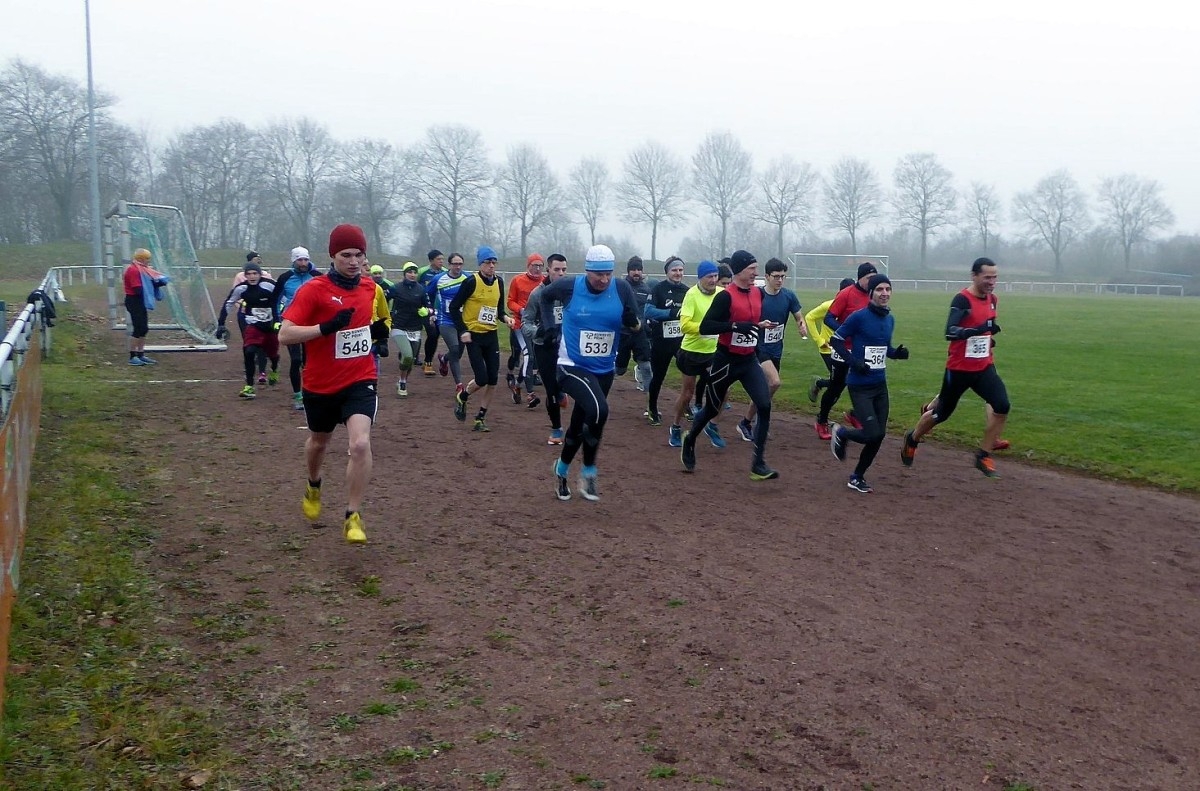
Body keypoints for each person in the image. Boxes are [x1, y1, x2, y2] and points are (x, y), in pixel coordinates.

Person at [278, 223, 390, 544]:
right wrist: (324, 328)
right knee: (319, 443)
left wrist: (377, 333)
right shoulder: (314, 289)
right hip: (320, 383)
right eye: (346, 255)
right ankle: (313, 484)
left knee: (360, 444)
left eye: (359, 255)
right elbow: (285, 334)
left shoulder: (370, 287)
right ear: (332, 256)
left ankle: (352, 515)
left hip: (360, 378)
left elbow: (374, 322)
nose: (354, 261)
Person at [538, 245, 641, 501]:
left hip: (604, 368)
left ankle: (561, 470)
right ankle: (589, 471)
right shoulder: (569, 286)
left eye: (608, 274)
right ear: (587, 271)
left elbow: (634, 323)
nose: (604, 280)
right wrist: (550, 327)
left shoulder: (621, 288)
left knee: (581, 423)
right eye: (598, 274)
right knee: (599, 410)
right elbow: (544, 297)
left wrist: (633, 323)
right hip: (571, 365)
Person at [900, 257, 1011, 478]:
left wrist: (988, 339)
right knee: (941, 414)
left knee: (1002, 405)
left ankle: (983, 455)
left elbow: (985, 329)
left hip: (984, 367)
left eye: (995, 277)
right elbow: (950, 332)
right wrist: (979, 330)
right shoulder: (962, 300)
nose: (992, 282)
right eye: (987, 277)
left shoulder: (993, 299)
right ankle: (912, 438)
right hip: (959, 369)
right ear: (974, 276)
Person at [681, 251, 780, 481]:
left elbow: (749, 322)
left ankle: (758, 464)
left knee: (764, 405)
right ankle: (690, 439)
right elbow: (706, 326)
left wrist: (759, 325)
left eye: (756, 268)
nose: (756, 273)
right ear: (739, 270)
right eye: (752, 269)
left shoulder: (757, 293)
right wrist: (734, 326)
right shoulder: (725, 296)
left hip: (748, 360)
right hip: (725, 361)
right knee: (711, 409)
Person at [828, 274, 910, 493]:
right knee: (872, 433)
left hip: (879, 385)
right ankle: (842, 433)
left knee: (879, 435)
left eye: (888, 289)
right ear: (871, 293)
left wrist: (896, 353)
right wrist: (854, 362)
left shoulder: (889, 319)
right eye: (880, 289)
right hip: (859, 386)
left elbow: (884, 348)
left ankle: (857, 477)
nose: (885, 293)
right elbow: (836, 340)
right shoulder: (858, 317)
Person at [735, 257, 808, 443]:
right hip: (758, 347)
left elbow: (799, 316)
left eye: (783, 276)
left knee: (765, 389)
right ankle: (756, 422)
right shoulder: (757, 294)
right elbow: (746, 316)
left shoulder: (789, 296)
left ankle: (747, 422)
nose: (780, 280)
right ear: (767, 276)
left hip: (776, 349)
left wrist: (802, 325)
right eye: (776, 276)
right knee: (774, 382)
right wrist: (758, 325)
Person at [450, 246, 516, 432]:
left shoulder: (499, 282)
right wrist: (463, 330)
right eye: (488, 262)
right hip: (473, 336)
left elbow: (498, 310)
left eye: (494, 262)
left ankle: (480, 417)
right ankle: (463, 396)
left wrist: (506, 319)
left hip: (491, 335)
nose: (492, 266)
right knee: (482, 378)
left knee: (493, 379)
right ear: (480, 264)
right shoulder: (471, 282)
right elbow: (454, 307)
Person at [815, 262, 878, 440]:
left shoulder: (874, 295)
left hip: (864, 350)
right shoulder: (846, 294)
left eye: (874, 278)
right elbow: (828, 318)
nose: (872, 282)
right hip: (843, 349)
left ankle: (855, 415)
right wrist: (846, 330)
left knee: (867, 386)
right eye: (869, 278)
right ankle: (821, 420)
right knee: (836, 388)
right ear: (860, 278)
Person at [667, 261, 723, 449]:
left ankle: (712, 425)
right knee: (687, 393)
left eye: (715, 276)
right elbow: (685, 325)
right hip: (691, 352)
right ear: (700, 278)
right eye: (709, 277)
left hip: (713, 352)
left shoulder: (722, 294)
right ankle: (675, 426)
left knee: (723, 390)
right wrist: (707, 327)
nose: (713, 280)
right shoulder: (691, 295)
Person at [523, 253, 570, 444]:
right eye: (557, 269)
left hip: (566, 345)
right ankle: (556, 428)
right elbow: (525, 323)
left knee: (568, 381)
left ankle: (561, 391)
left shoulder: (570, 292)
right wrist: (539, 331)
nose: (561, 273)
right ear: (548, 270)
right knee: (551, 388)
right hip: (544, 347)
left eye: (564, 270)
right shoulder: (537, 294)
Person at [218, 260, 280, 398]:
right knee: (249, 352)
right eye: (249, 274)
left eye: (255, 273)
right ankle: (249, 386)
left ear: (260, 274)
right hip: (253, 325)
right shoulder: (241, 288)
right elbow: (228, 303)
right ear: (245, 276)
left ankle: (274, 369)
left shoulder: (269, 285)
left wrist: (279, 320)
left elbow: (283, 299)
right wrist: (221, 323)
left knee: (273, 354)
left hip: (270, 325)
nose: (252, 277)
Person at [642, 256, 689, 426]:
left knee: (688, 374)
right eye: (674, 270)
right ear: (667, 272)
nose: (678, 273)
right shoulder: (658, 289)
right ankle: (652, 408)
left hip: (681, 342)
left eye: (680, 270)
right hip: (661, 341)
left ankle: (685, 405)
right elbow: (648, 311)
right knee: (658, 376)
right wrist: (670, 314)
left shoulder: (687, 291)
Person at [272, 247, 319, 410]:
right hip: (291, 322)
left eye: (306, 259)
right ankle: (298, 395)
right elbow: (275, 300)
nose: (303, 263)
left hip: (311, 323)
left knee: (309, 361)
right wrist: (276, 320)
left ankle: (310, 392)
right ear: (294, 261)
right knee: (296, 359)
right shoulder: (285, 278)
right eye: (300, 260)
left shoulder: (317, 276)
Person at [804, 278, 855, 405]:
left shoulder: (854, 309)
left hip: (845, 350)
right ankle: (823, 410)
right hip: (828, 349)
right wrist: (819, 340)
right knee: (840, 382)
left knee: (842, 381)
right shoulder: (829, 306)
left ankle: (819, 385)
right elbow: (809, 317)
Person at [505, 253, 546, 407]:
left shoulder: (545, 283)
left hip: (537, 326)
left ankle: (517, 385)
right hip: (519, 324)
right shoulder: (517, 280)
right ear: (528, 266)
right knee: (526, 355)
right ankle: (530, 394)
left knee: (533, 357)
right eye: (534, 265)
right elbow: (510, 302)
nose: (537, 268)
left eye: (540, 266)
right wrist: (522, 310)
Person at [427, 252, 470, 393]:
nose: (458, 267)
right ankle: (459, 385)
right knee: (455, 349)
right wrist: (432, 311)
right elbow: (428, 294)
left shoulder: (468, 278)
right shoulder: (439, 279)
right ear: (449, 265)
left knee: (457, 353)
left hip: (462, 321)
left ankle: (444, 359)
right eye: (455, 264)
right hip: (445, 320)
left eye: (460, 264)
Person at [388, 262, 432, 397]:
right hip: (399, 326)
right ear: (404, 274)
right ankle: (402, 382)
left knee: (411, 359)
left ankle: (403, 380)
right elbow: (383, 300)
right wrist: (386, 315)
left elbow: (429, 306)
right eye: (409, 272)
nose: (412, 275)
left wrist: (427, 311)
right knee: (407, 355)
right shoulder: (396, 288)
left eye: (414, 272)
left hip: (415, 327)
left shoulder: (421, 289)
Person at [122, 248, 168, 365]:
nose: (148, 261)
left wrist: (157, 282)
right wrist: (153, 284)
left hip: (140, 301)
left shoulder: (142, 269)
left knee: (144, 328)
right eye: (147, 259)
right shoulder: (133, 270)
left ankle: (140, 354)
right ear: (141, 259)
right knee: (138, 328)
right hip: (134, 301)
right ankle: (133, 356)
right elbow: (138, 289)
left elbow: (146, 285)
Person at [615, 255, 653, 391]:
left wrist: (644, 325)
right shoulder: (620, 287)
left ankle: (650, 399)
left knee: (646, 366)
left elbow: (648, 310)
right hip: (623, 333)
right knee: (620, 370)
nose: (636, 272)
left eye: (639, 269)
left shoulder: (646, 290)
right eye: (633, 269)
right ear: (628, 271)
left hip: (639, 334)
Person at [417, 249, 448, 374]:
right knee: (431, 333)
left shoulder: (445, 272)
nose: (441, 261)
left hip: (439, 309)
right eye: (438, 259)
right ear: (431, 260)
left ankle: (427, 362)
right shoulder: (422, 272)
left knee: (435, 334)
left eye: (442, 259)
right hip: (424, 308)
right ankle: (411, 354)